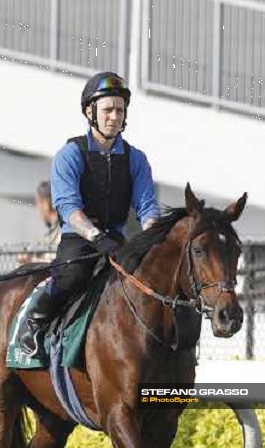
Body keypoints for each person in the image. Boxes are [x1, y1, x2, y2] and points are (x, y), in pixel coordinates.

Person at [20, 71, 161, 359]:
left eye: (120, 110)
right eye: (108, 109)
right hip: (79, 238)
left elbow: (147, 208)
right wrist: (97, 237)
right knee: (73, 276)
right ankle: (34, 321)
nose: (114, 116)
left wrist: (152, 239)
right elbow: (68, 207)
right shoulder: (69, 154)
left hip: (118, 239)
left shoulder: (137, 159)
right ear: (90, 112)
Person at [17, 181, 61, 265]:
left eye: (38, 203)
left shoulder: (62, 229)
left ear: (46, 203)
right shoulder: (55, 229)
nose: (38, 208)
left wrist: (32, 261)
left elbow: (57, 261)